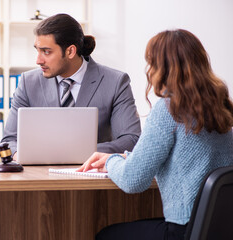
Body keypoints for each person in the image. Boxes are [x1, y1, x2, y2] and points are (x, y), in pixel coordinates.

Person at [77, 29, 233, 240]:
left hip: (183, 230)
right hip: (219, 228)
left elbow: (133, 181)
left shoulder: (170, 109)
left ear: (163, 68)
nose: (148, 69)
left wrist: (112, 160)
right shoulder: (219, 105)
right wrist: (127, 158)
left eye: (151, 63)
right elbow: (188, 157)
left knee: (106, 235)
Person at [1, 13, 141, 158]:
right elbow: (10, 140)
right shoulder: (28, 82)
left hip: (91, 175)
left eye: (46, 52)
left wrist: (73, 152)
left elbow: (131, 139)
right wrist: (20, 154)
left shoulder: (115, 82)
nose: (38, 60)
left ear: (70, 51)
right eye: (37, 50)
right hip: (39, 175)